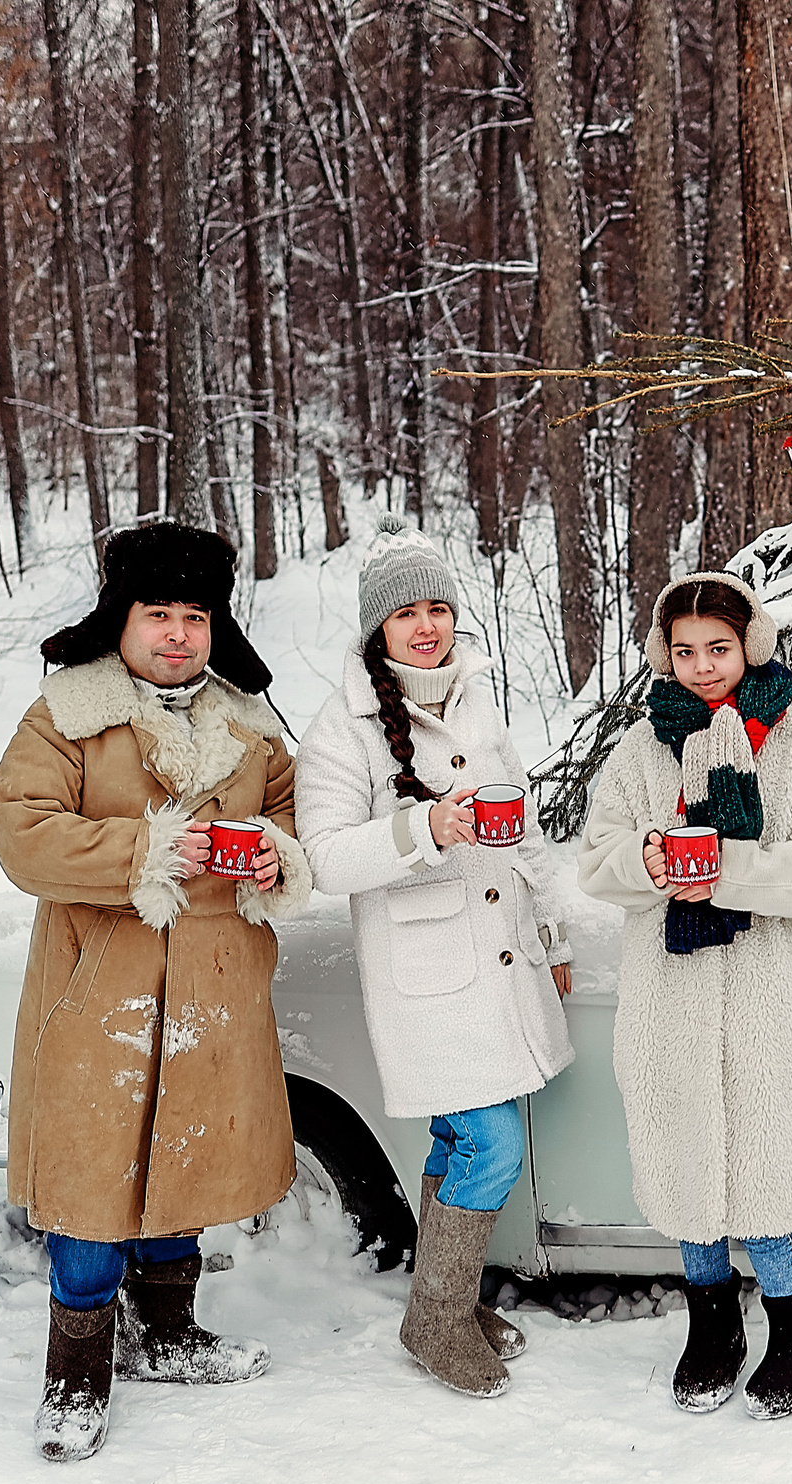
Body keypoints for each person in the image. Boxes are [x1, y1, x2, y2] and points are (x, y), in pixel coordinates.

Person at [0, 522, 314, 1462]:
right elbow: (22, 831)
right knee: (92, 1181)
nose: (177, 634)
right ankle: (75, 1371)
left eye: (196, 616)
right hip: (101, 992)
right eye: (157, 613)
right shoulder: (68, 714)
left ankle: (167, 1333)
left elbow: (291, 815)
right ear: (120, 618)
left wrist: (273, 853)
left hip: (214, 982)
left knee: (191, 1158)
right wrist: (149, 850)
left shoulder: (249, 723)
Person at [578, 571, 792, 1420]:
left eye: (719, 647)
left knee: (766, 1174)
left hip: (770, 1005)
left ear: (751, 645)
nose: (704, 665)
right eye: (685, 650)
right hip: (670, 1005)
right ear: (662, 655)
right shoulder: (641, 752)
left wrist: (730, 873)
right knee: (685, 1167)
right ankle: (711, 1324)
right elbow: (597, 857)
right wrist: (650, 860)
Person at [295, 523, 576, 1398]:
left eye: (439, 608)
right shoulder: (341, 730)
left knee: (463, 1136)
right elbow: (326, 858)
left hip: (497, 957)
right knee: (490, 1144)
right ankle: (437, 1318)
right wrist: (425, 826)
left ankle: (441, 1298)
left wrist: (556, 929)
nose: (426, 627)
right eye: (407, 613)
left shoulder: (476, 697)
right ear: (377, 627)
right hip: (428, 974)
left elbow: (521, 821)